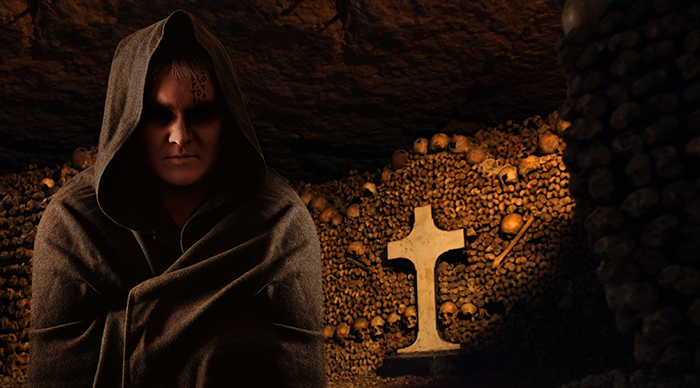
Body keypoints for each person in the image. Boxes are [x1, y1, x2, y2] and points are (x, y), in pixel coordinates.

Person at [29, 10, 326, 387]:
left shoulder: (280, 223)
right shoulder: (73, 225)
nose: (180, 136)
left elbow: (299, 373)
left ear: (227, 117)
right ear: (130, 122)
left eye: (200, 113)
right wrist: (223, 340)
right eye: (159, 115)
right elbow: (56, 373)